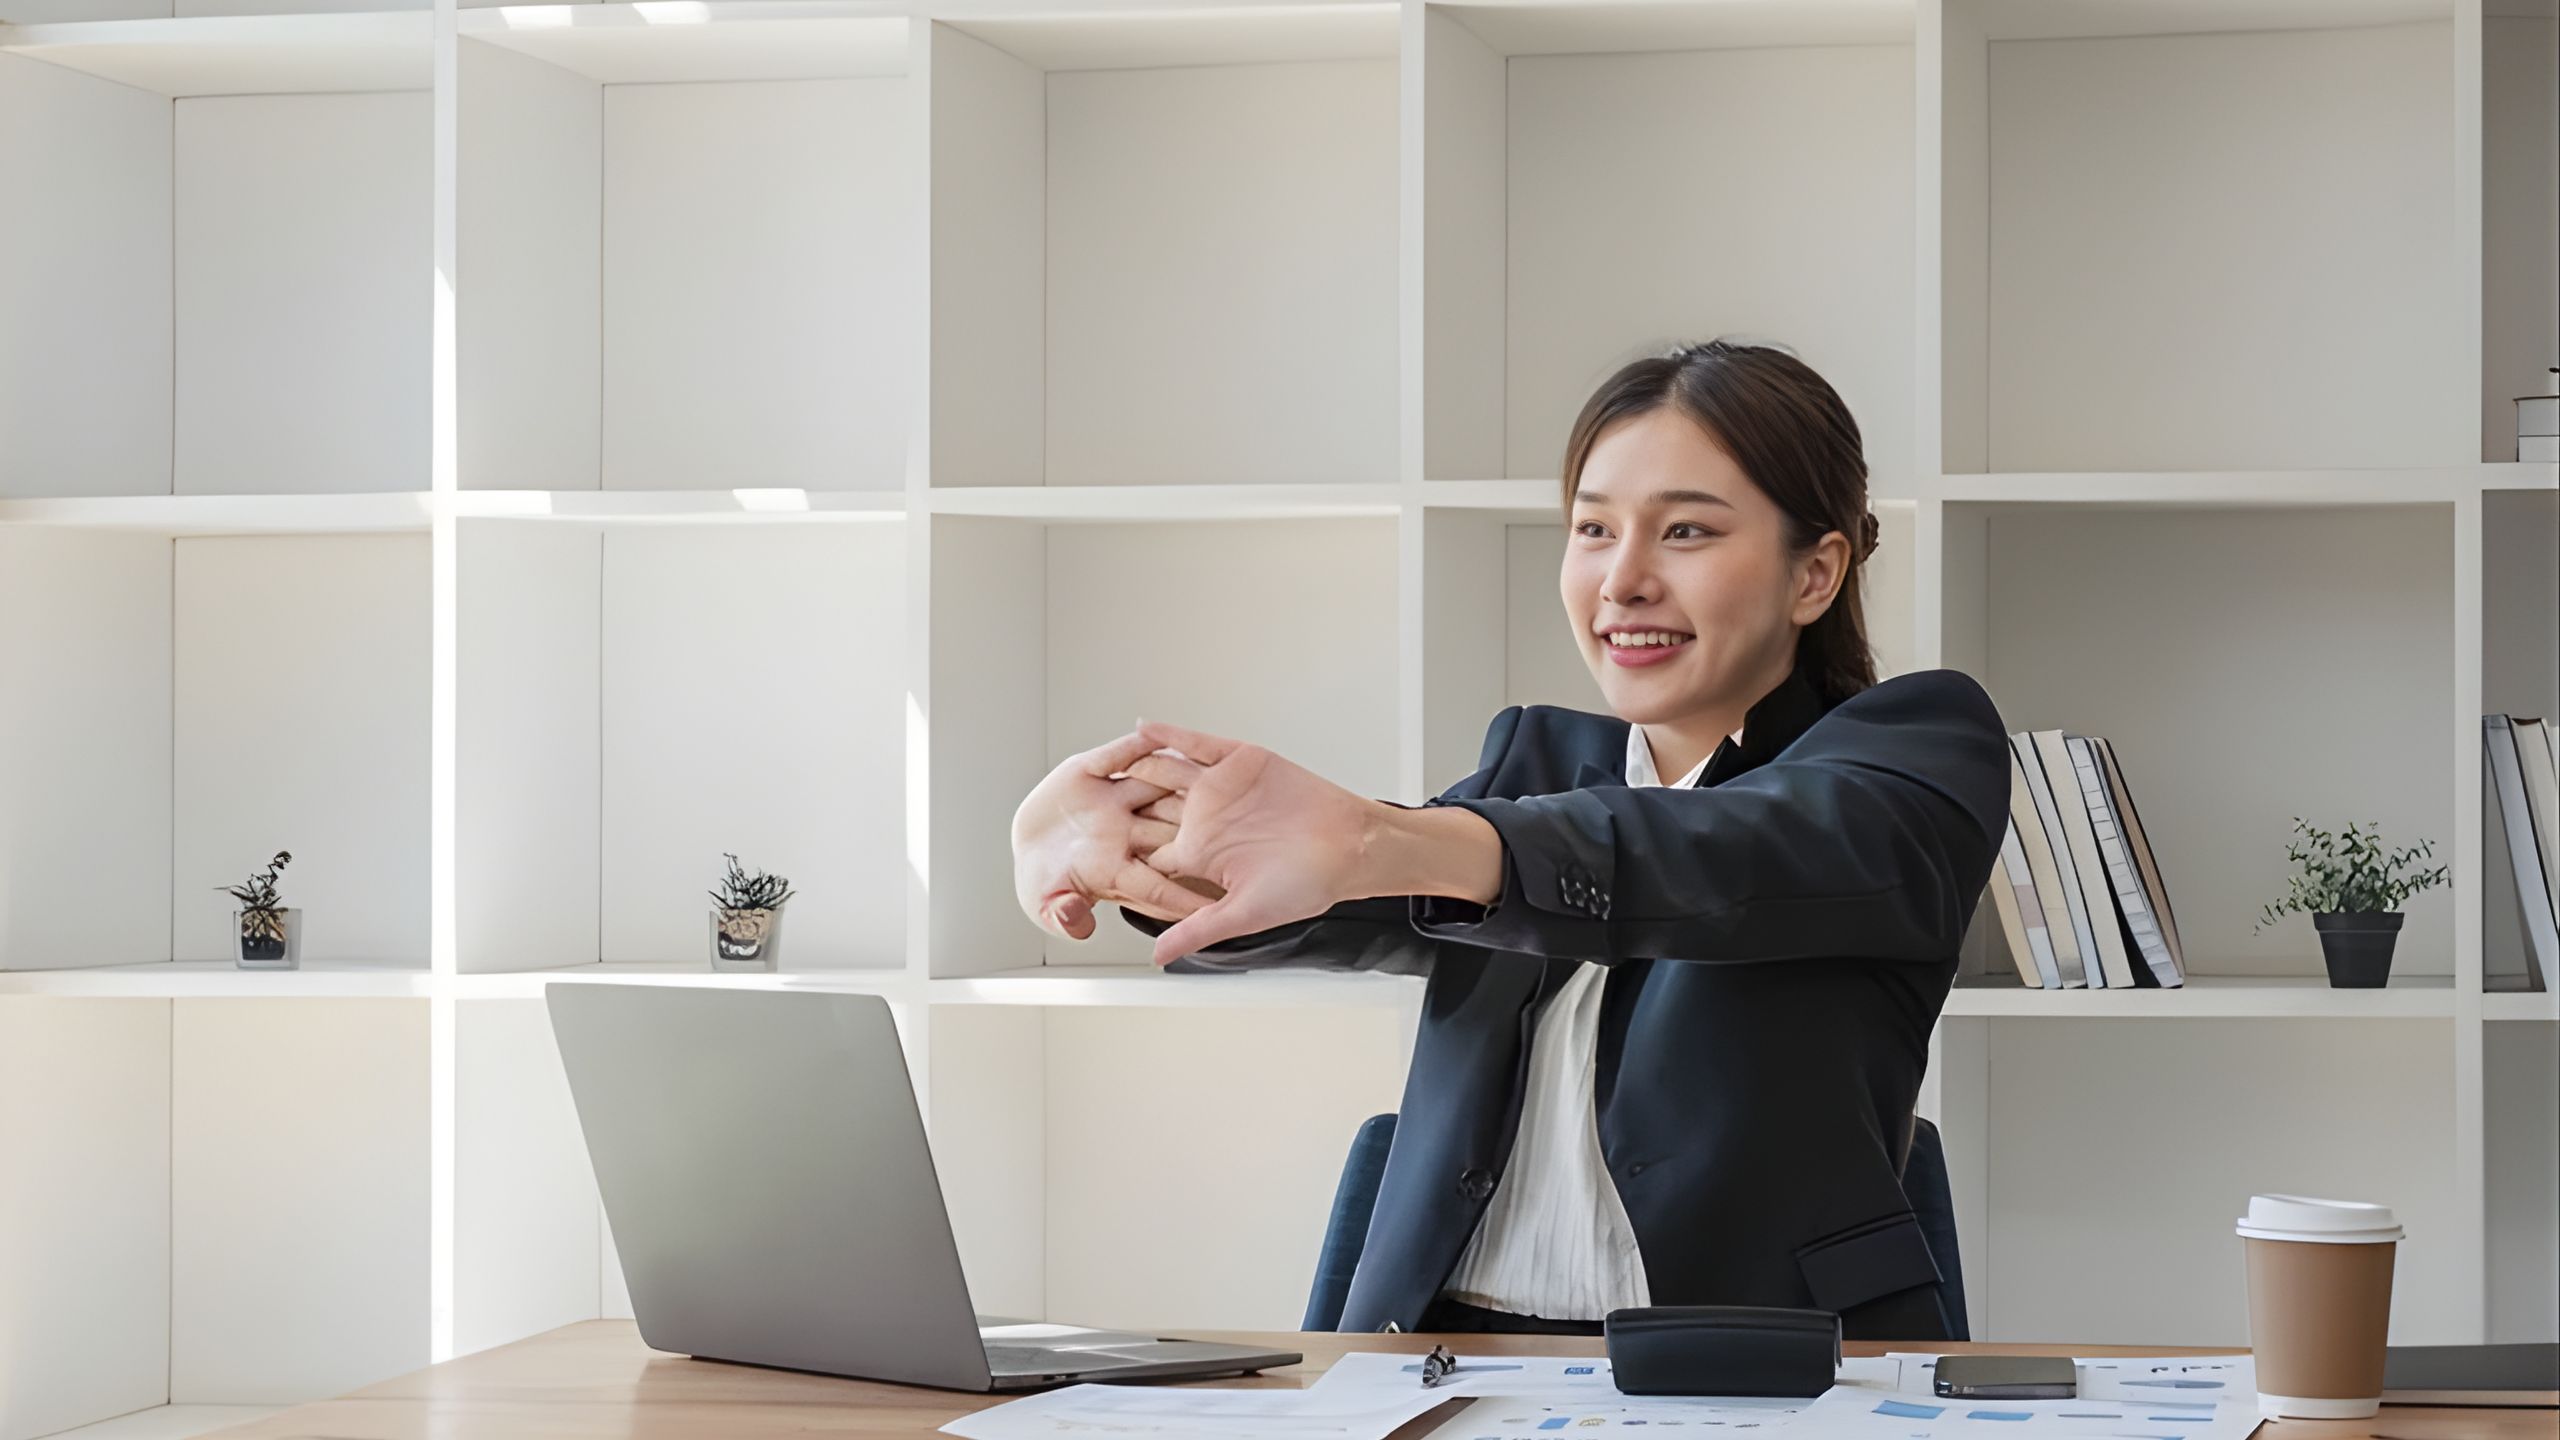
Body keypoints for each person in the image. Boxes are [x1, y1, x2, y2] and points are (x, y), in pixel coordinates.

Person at [1010, 339, 2012, 1340]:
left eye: (1687, 532)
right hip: (1443, 1356)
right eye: (1591, 530)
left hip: (1761, 1362)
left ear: (1814, 573)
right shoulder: (1530, 770)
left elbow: (1723, 853)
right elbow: (1346, 893)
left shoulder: (1913, 755)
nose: (1622, 581)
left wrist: (1379, 837)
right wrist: (1133, 843)